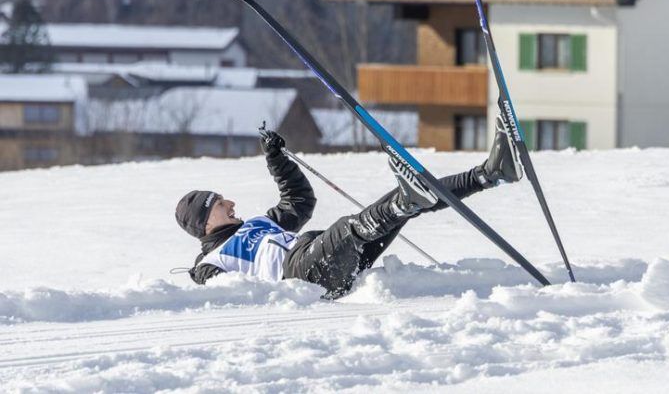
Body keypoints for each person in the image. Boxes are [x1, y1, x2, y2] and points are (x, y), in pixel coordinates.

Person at [175, 119, 523, 298]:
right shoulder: (210, 263)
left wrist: (276, 158)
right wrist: (199, 276)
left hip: (317, 260)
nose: (231, 203)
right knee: (354, 224)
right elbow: (215, 292)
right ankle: (407, 198)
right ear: (205, 224)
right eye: (220, 204)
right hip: (298, 278)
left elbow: (299, 201)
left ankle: (490, 174)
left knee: (403, 207)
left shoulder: (258, 224)